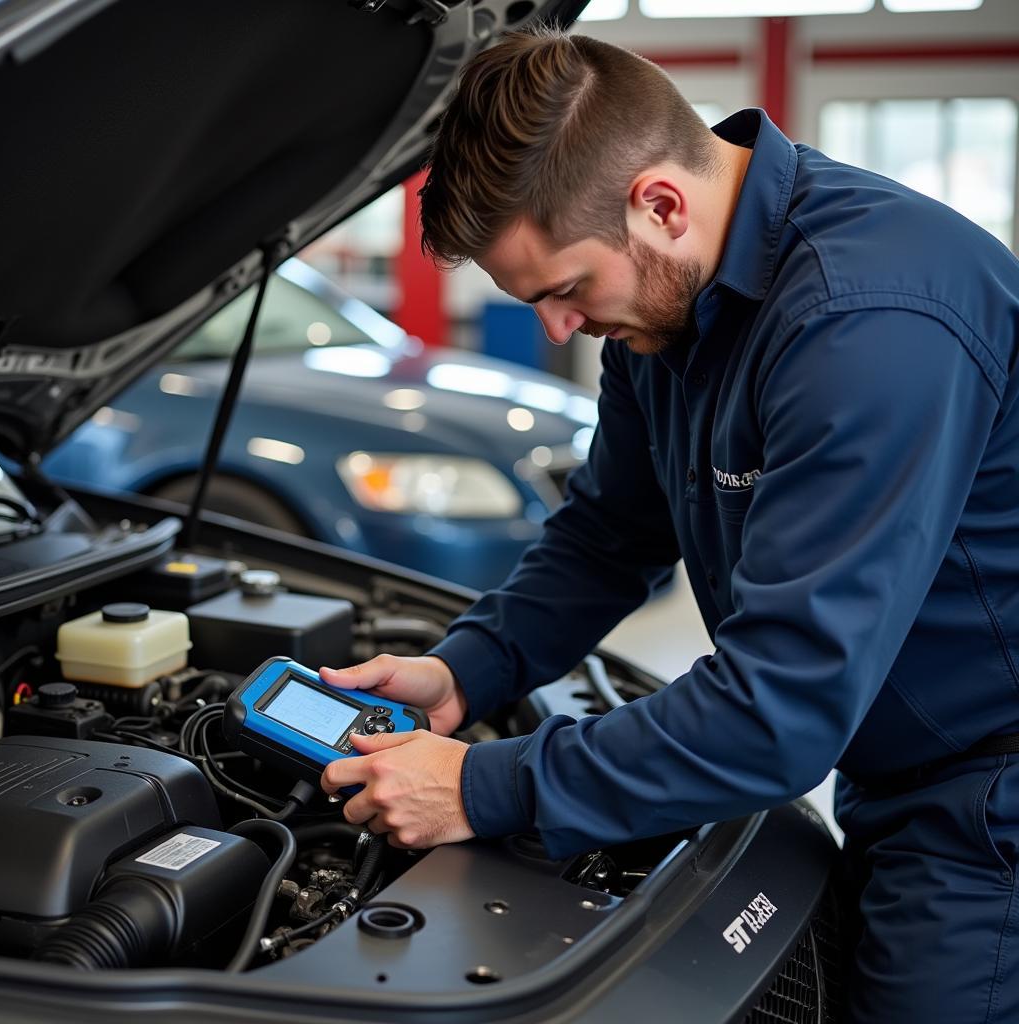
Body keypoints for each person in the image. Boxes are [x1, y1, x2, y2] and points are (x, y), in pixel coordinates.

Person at [318, 27, 1019, 1023]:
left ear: (659, 202)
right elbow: (608, 533)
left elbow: (777, 711)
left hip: (988, 792)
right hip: (894, 754)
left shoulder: (867, 325)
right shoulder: (665, 307)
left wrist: (488, 783)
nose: (556, 329)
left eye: (564, 290)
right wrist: (467, 669)